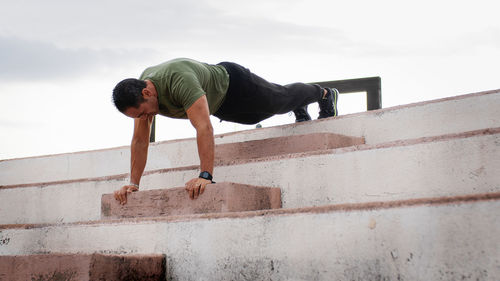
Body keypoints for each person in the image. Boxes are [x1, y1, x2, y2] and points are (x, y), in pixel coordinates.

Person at [112, 58, 338, 204]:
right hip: (221, 106)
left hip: (235, 85)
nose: (144, 119)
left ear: (147, 93)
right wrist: (133, 184)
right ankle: (297, 104)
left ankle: (325, 94)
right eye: (138, 117)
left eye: (142, 113)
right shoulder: (141, 94)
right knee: (257, 117)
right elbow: (140, 141)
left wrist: (205, 176)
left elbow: (203, 127)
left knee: (279, 99)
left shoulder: (179, 80)